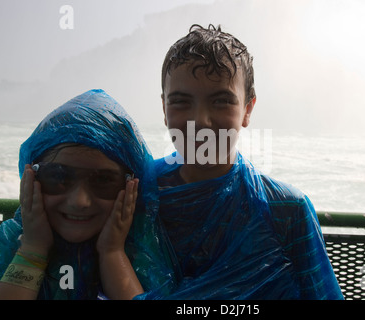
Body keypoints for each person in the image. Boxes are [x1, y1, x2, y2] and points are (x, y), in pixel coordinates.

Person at [136, 24, 344, 299]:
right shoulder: (139, 195)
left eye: (221, 101)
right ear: (164, 109)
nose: (201, 121)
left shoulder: (286, 211)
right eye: (181, 102)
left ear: (248, 109)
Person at [0, 89, 178, 299]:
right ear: (31, 180)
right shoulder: (12, 241)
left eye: (103, 180)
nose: (79, 201)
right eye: (58, 177)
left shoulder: (139, 248)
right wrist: (32, 249)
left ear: (132, 187)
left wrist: (112, 253)